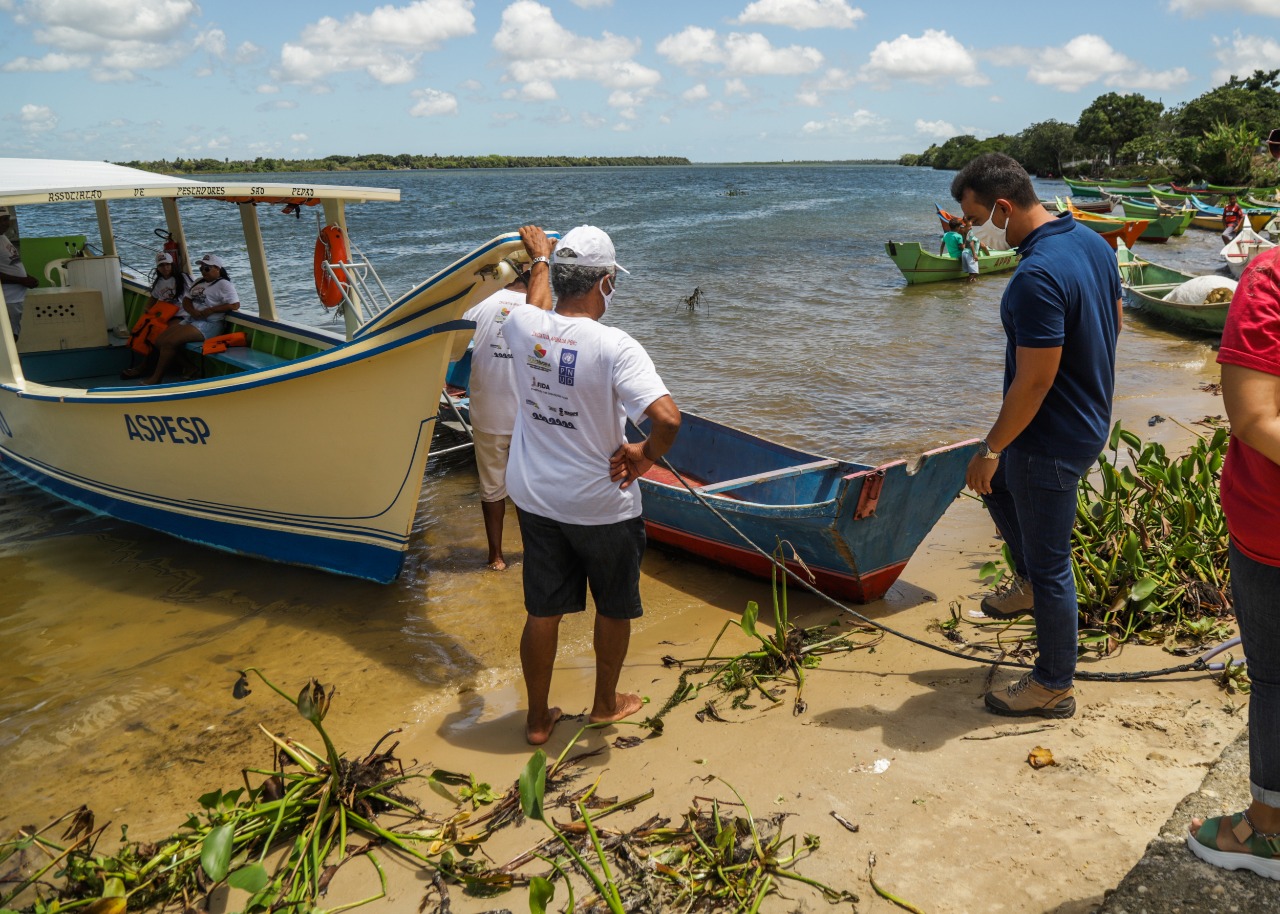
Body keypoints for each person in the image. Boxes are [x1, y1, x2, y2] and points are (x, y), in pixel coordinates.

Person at [952, 152, 1122, 718]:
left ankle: (1054, 684)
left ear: (1003, 206)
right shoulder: (1094, 244)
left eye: (977, 220)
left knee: (1053, 565)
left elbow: (1035, 381)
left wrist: (990, 446)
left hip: (1048, 435)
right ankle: (1025, 584)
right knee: (996, 489)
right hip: (1086, 419)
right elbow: (1114, 320)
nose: (978, 230)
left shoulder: (1034, 276)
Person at [504, 224, 680, 745]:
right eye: (611, 282)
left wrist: (540, 259)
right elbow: (667, 420)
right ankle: (604, 704)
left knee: (542, 610)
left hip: (536, 497)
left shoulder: (521, 325)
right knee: (613, 606)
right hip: (601, 504)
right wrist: (644, 456)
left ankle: (537, 720)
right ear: (605, 282)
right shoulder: (615, 345)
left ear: (559, 277)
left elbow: (538, 305)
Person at [1186, 148, 1280, 883]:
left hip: (1272, 527)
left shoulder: (1271, 276)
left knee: (1275, 676)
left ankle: (1267, 831)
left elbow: (1253, 420)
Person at [461, 262, 532, 570]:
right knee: (531, 488)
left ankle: (496, 557)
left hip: (488, 411)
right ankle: (536, 552)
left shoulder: (480, 303)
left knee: (492, 488)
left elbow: (452, 346)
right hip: (528, 418)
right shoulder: (541, 306)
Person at [140, 253, 239, 385]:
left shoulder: (224, 284)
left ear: (217, 268)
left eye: (207, 268)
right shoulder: (199, 281)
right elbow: (187, 300)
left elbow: (235, 305)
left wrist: (212, 310)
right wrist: (192, 311)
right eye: (202, 268)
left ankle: (156, 378)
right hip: (193, 319)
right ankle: (191, 367)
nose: (203, 271)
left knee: (169, 342)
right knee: (159, 341)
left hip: (210, 324)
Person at [121, 251, 191, 379]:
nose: (165, 268)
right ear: (157, 267)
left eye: (168, 265)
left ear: (172, 264)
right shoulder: (159, 282)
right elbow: (153, 298)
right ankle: (188, 367)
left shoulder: (183, 278)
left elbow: (195, 294)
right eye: (162, 265)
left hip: (182, 316)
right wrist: (147, 310)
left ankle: (143, 368)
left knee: (160, 338)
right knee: (151, 333)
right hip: (167, 316)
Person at [0, 205, 39, 340]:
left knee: (14, 333)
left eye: (7, 219)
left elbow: (11, 263)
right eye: (2, 220)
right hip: (8, 299)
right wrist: (21, 280)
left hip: (17, 298)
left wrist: (27, 277)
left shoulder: (3, 237)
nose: (6, 223)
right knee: (9, 337)